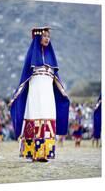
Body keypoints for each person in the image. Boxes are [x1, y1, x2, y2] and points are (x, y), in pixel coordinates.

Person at [9, 27, 70, 162]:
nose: (47, 38)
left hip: (48, 96)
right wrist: (15, 97)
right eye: (44, 36)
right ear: (38, 38)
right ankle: (33, 153)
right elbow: (24, 79)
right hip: (35, 95)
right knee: (34, 119)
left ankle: (44, 153)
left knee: (47, 121)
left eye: (49, 36)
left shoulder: (51, 61)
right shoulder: (31, 58)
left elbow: (56, 79)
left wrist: (64, 94)